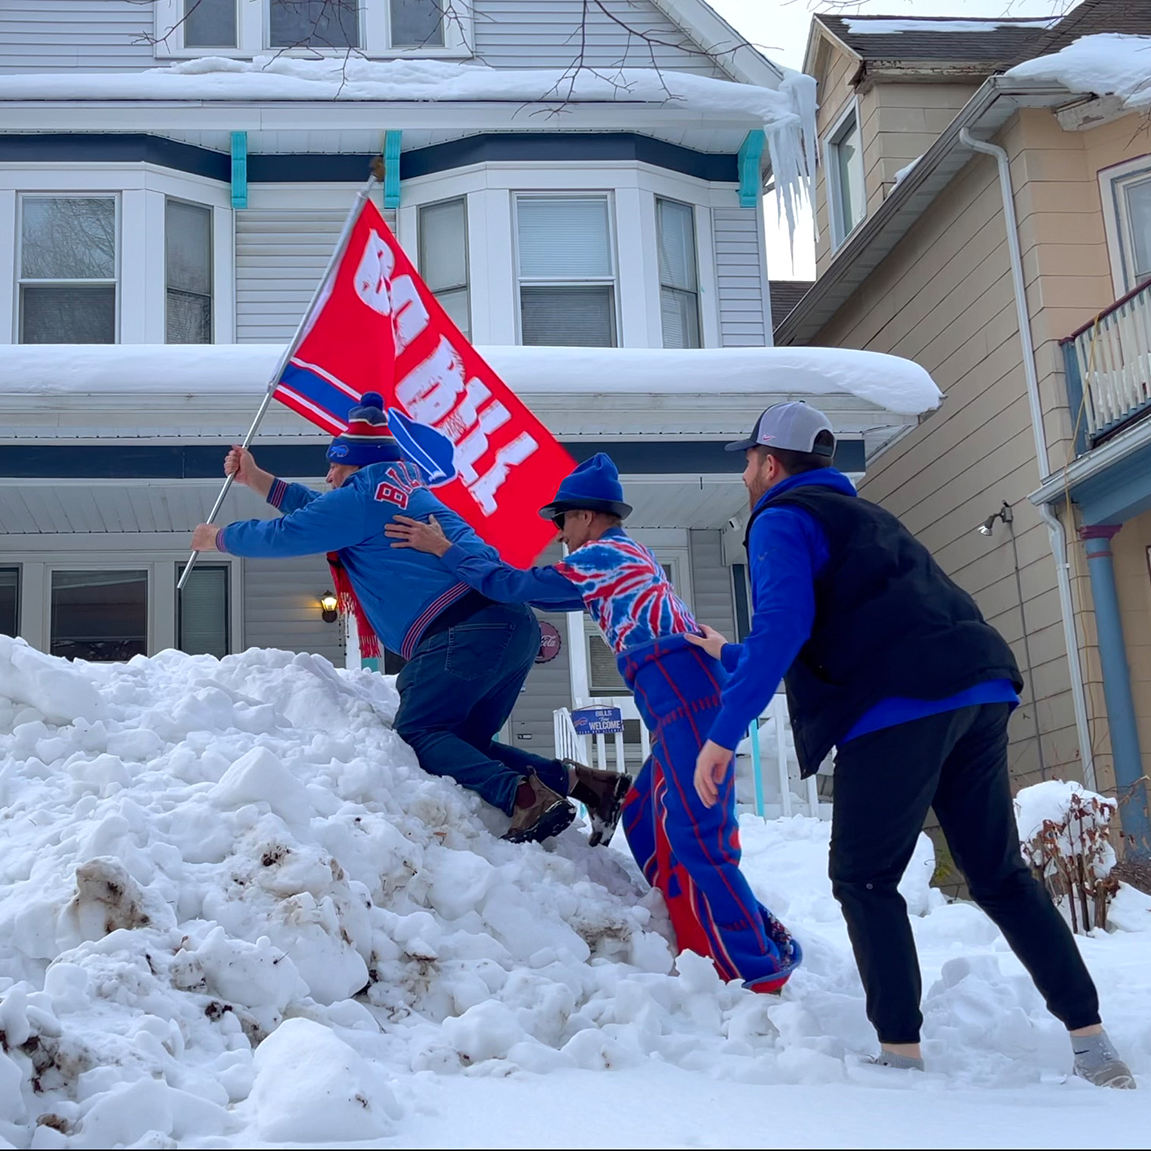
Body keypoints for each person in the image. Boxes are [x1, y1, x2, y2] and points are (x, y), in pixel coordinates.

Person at [687, 400, 1134, 1086]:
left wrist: (720, 737)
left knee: (863, 877)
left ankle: (898, 1051)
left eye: (747, 459)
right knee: (997, 873)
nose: (744, 471)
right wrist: (730, 657)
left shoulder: (779, 516)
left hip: (897, 706)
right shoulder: (867, 518)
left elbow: (784, 628)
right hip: (976, 686)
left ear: (769, 463)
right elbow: (831, 626)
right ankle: (1092, 1045)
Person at [386, 453, 801, 992]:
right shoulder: (625, 556)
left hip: (685, 697)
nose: (558, 534)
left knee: (701, 838)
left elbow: (511, 586)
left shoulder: (602, 555)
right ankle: (692, 926)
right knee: (646, 814)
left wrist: (445, 547)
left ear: (584, 517)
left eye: (560, 521)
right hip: (681, 696)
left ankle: (753, 969)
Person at [188, 392, 625, 845]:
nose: (328, 475)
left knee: (418, 733)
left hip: (461, 630)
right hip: (510, 626)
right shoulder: (401, 492)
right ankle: (586, 785)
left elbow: (293, 531)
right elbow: (317, 510)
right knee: (459, 745)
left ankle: (524, 798)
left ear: (353, 464)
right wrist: (256, 479)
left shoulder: (361, 498)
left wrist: (220, 538)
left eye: (333, 465)